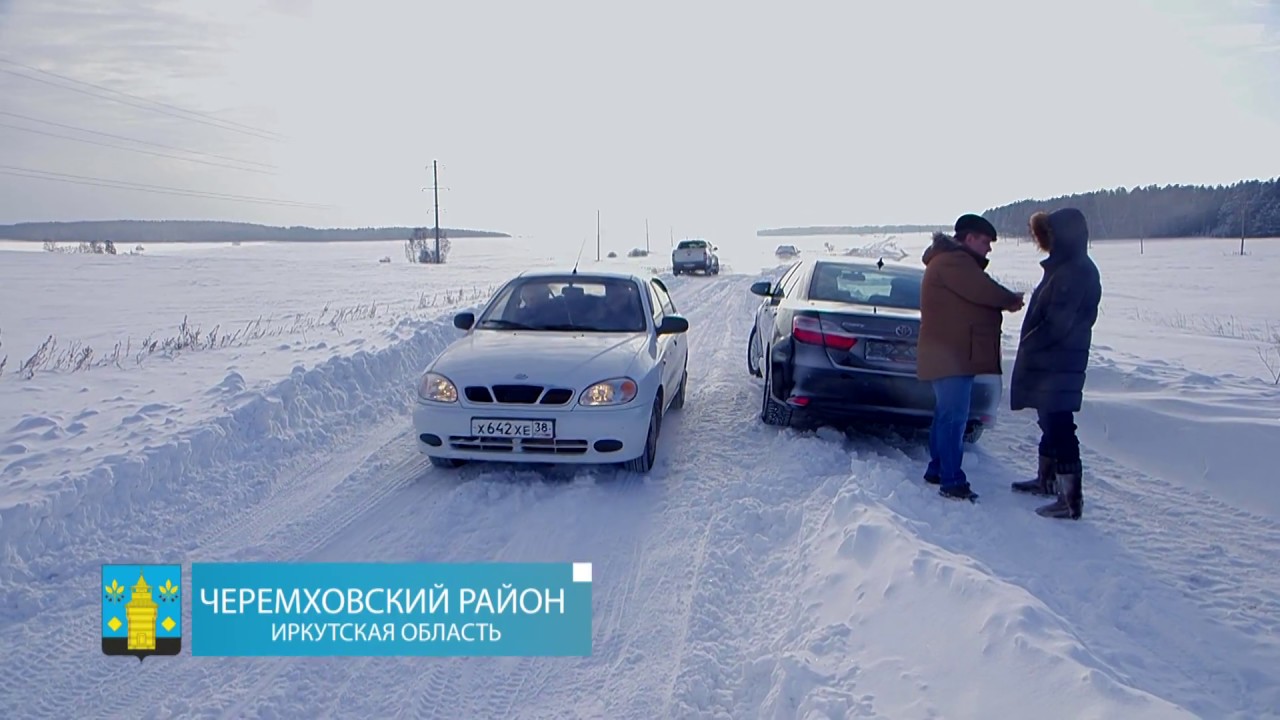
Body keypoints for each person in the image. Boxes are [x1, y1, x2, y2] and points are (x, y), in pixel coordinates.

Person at [917, 214, 1025, 500]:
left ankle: (937, 469)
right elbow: (984, 290)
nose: (989, 248)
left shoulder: (947, 260)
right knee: (954, 419)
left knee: (945, 416)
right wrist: (1011, 300)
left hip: (947, 355)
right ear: (969, 238)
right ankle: (952, 481)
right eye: (986, 241)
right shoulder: (955, 262)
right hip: (951, 357)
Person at [1009, 208, 1102, 520]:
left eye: (1048, 234)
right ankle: (1047, 481)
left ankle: (1070, 500)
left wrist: (1031, 343)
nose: (1044, 241)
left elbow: (1058, 324)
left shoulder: (1076, 271)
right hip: (1052, 363)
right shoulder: (1064, 267)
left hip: (1061, 362)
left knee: (1060, 426)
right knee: (1048, 421)